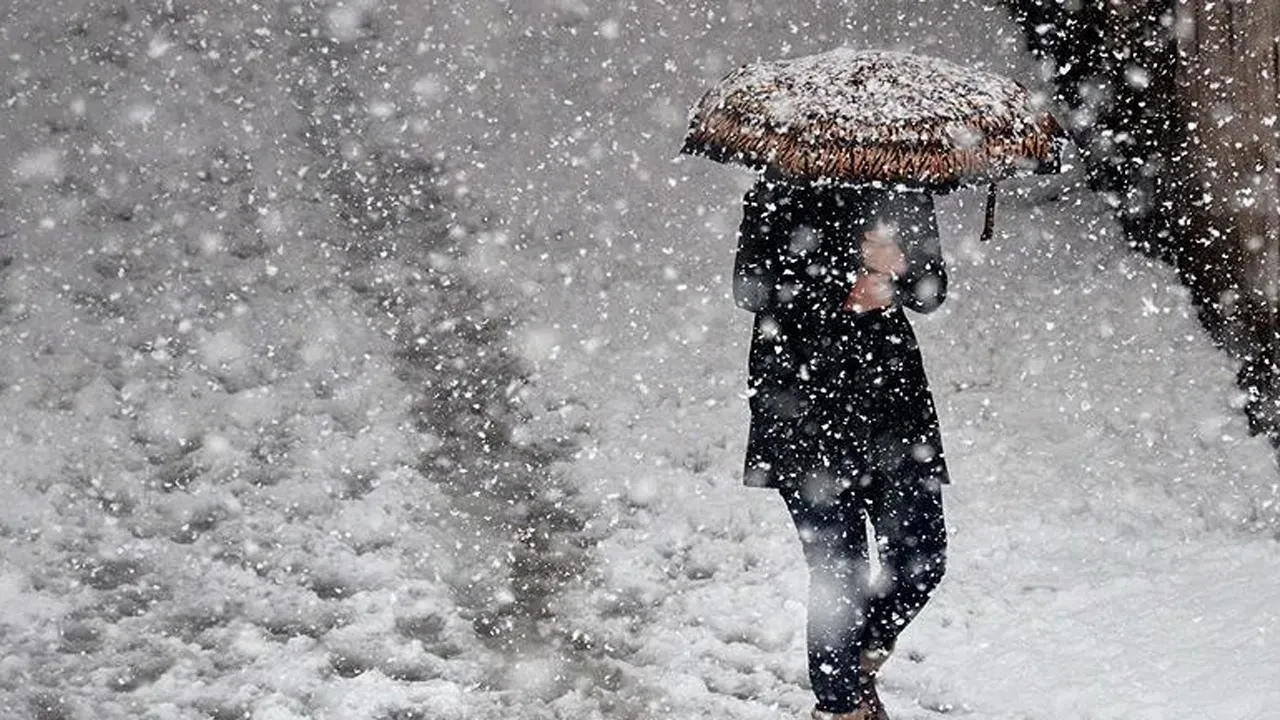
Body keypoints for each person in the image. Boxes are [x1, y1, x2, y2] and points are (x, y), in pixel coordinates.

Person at [733, 176, 950, 720]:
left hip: (891, 403)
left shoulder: (902, 184)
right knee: (840, 571)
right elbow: (751, 289)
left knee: (922, 556)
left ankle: (856, 660)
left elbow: (933, 288)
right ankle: (840, 706)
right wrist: (845, 275)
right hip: (802, 401)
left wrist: (898, 276)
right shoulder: (778, 187)